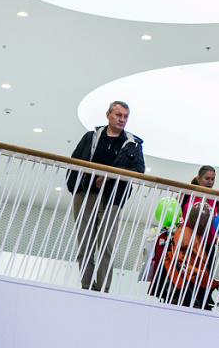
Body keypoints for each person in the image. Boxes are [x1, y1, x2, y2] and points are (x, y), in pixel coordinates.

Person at [66, 100, 145, 292]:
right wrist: (75, 188)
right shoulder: (91, 137)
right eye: (119, 115)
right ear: (108, 115)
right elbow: (74, 161)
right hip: (86, 194)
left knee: (106, 246)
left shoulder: (133, 143)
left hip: (112, 199)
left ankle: (102, 290)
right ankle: (87, 286)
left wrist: (110, 175)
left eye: (126, 116)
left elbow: (138, 170)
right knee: (85, 244)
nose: (122, 120)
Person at [153, 202, 218, 309]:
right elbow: (179, 263)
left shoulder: (206, 243)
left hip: (195, 284)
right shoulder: (184, 235)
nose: (208, 224)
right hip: (184, 285)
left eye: (210, 221)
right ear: (194, 219)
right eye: (205, 220)